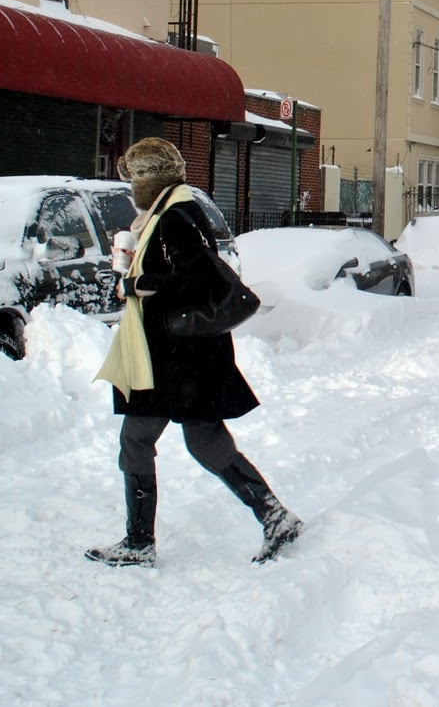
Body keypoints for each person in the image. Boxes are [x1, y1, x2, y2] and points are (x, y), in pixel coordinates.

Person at [88, 137, 302, 568]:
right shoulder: (174, 212)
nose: (132, 189)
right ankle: (275, 516)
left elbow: (199, 280)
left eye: (136, 180)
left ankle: (139, 543)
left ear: (152, 180)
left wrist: (140, 285)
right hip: (187, 354)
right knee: (204, 441)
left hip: (174, 357)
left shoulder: (174, 218)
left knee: (137, 439)